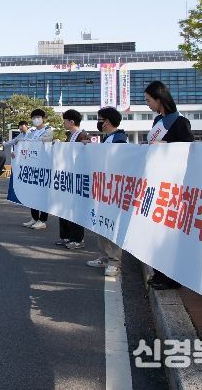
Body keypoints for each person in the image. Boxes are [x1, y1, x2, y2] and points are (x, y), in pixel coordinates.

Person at [143, 80, 194, 289]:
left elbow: (189, 149)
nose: (147, 104)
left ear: (159, 99)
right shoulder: (158, 120)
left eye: (149, 100)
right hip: (157, 180)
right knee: (157, 232)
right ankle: (159, 273)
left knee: (170, 234)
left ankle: (172, 278)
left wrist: (165, 145)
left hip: (174, 184)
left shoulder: (180, 122)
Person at [86, 107, 127, 277]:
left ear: (107, 121)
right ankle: (104, 256)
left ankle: (114, 261)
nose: (99, 122)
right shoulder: (108, 139)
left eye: (100, 119)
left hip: (113, 190)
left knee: (112, 225)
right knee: (101, 223)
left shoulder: (119, 140)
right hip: (103, 188)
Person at [56, 109, 91, 249]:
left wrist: (86, 144)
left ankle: (77, 239)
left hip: (77, 178)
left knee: (75, 209)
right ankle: (66, 236)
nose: (63, 123)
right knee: (64, 208)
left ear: (71, 121)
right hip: (67, 176)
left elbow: (88, 151)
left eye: (64, 121)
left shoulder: (82, 135)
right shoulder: (70, 135)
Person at [22, 109, 54, 230]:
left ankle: (43, 220)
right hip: (32, 166)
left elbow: (43, 141)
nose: (36, 119)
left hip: (43, 166)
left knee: (43, 195)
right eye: (34, 117)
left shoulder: (48, 130)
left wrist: (30, 141)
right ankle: (34, 218)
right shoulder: (32, 132)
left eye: (38, 117)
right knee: (33, 194)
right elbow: (25, 144)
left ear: (43, 119)